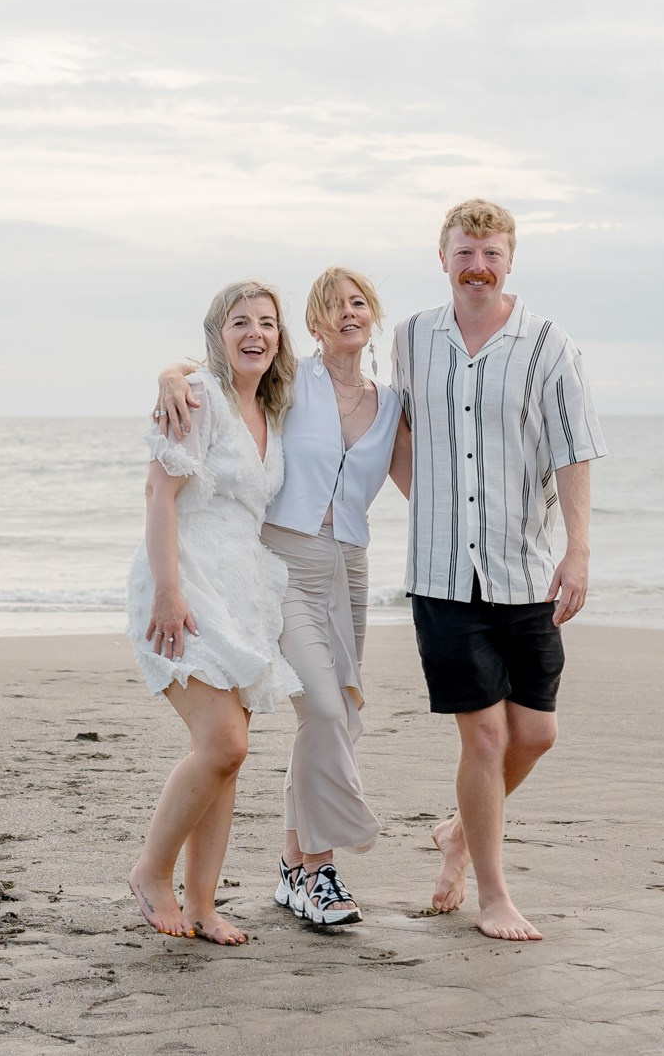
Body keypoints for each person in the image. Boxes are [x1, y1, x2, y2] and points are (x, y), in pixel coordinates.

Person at [156, 268, 404, 928]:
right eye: (331, 306)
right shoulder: (294, 385)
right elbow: (216, 371)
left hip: (350, 565)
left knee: (342, 714)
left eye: (358, 303)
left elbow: (423, 482)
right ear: (314, 326)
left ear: (373, 315)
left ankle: (298, 868)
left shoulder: (391, 400)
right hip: (287, 561)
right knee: (320, 706)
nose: (346, 314)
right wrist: (169, 374)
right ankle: (318, 864)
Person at [390, 198, 605, 941]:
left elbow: (574, 450)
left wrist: (577, 549)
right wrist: (434, 503)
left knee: (535, 733)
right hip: (442, 575)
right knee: (482, 736)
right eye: (464, 252)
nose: (477, 267)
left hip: (524, 568)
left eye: (490, 253)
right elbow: (393, 430)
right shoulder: (412, 338)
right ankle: (489, 892)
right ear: (442, 256)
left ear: (509, 259)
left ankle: (458, 829)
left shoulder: (548, 343)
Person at [126, 279, 302, 946]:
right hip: (186, 583)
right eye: (240, 321)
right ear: (217, 334)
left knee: (229, 757)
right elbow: (158, 491)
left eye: (267, 322)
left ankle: (202, 902)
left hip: (243, 593)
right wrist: (168, 590)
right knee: (222, 742)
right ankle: (151, 869)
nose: (255, 332)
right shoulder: (198, 396)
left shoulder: (272, 413)